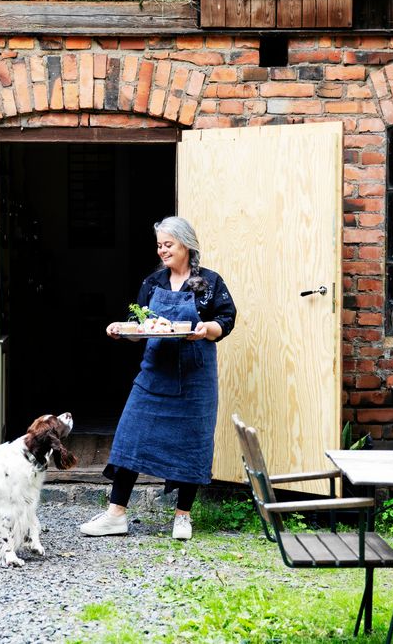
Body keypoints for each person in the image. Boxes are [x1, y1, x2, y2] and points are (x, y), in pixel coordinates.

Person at [80, 216, 237, 541]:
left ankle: (183, 517)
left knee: (192, 441)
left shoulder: (207, 282)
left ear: (186, 246)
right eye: (159, 245)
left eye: (168, 245)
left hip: (196, 374)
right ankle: (115, 515)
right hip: (155, 373)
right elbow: (140, 325)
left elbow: (226, 318)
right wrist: (122, 331)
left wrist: (207, 329)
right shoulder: (154, 283)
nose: (162, 251)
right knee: (130, 435)